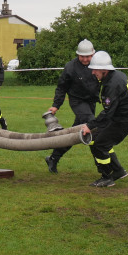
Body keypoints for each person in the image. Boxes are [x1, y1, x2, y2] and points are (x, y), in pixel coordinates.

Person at [80, 50, 128, 187]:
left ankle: (107, 177)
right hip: (123, 116)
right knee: (96, 139)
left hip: (124, 120)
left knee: (99, 144)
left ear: (104, 69)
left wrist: (90, 125)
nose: (92, 73)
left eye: (95, 69)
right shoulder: (117, 76)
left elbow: (107, 113)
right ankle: (118, 171)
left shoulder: (112, 85)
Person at [44, 39, 101, 173]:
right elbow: (61, 87)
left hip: (91, 102)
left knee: (76, 134)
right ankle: (102, 165)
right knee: (93, 128)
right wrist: (55, 105)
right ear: (78, 55)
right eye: (82, 56)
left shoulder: (98, 64)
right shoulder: (70, 67)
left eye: (88, 56)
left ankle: (53, 158)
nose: (86, 59)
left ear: (93, 54)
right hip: (77, 102)